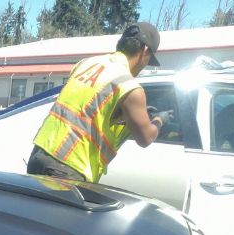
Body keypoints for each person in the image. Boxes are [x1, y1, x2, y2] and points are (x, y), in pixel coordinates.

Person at [27, 22, 169, 183]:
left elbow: (86, 108)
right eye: (149, 59)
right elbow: (145, 138)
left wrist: (119, 117)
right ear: (145, 51)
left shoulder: (86, 64)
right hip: (68, 168)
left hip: (39, 155)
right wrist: (159, 120)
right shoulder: (129, 86)